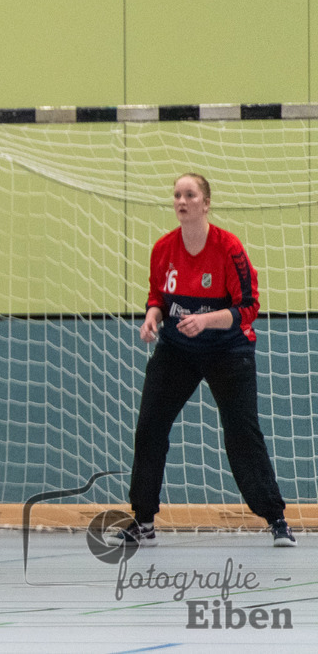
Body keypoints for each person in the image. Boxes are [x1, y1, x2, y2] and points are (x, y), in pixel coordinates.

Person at [107, 173, 295, 548]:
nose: (182, 201)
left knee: (242, 433)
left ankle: (276, 518)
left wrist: (206, 321)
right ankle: (143, 522)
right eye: (177, 195)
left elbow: (248, 307)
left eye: (190, 194)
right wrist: (151, 318)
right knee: (149, 429)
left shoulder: (228, 249)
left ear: (205, 203)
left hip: (228, 350)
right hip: (177, 351)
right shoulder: (163, 249)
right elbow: (158, 296)